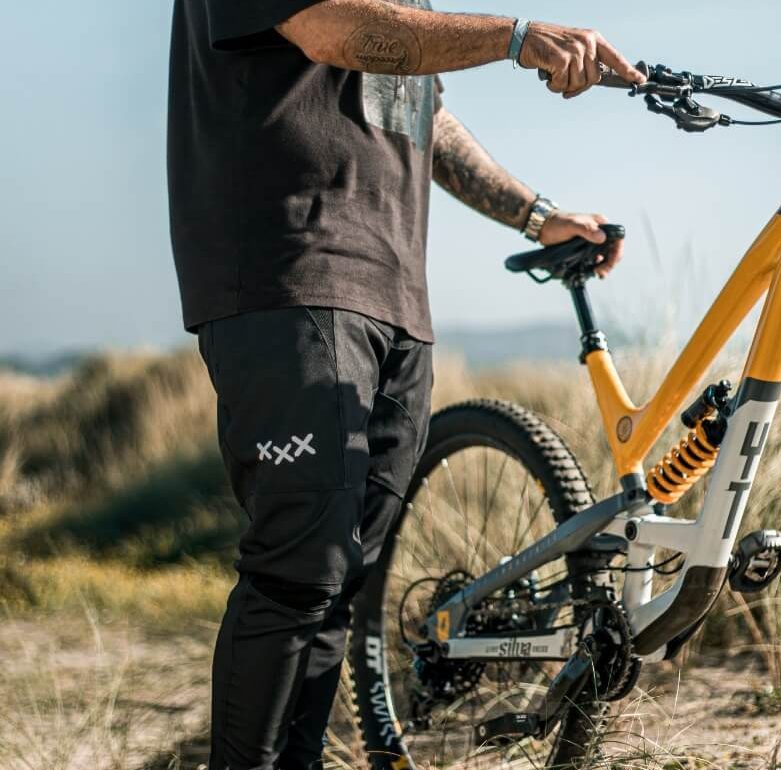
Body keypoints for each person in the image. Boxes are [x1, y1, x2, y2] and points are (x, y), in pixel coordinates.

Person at [167, 2, 644, 768]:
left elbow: (422, 111)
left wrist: (536, 215)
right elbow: (329, 27)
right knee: (300, 567)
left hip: (395, 296)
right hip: (289, 272)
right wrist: (516, 38)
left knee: (342, 577)